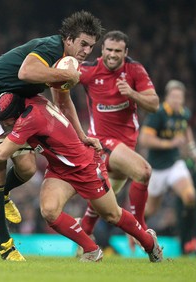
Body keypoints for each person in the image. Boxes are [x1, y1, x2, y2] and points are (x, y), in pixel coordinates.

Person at [0, 10, 104, 261]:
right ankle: (5, 245)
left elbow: (63, 100)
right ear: (68, 39)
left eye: (91, 46)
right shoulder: (51, 47)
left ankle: (3, 194)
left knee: (27, 168)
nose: (86, 51)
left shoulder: (64, 63)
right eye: (83, 44)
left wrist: (82, 135)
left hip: (1, 100)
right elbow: (25, 73)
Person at [0, 92, 164, 263]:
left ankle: (149, 243)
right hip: (59, 168)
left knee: (111, 214)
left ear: (15, 115)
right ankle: (92, 250)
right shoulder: (29, 100)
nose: (4, 125)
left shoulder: (29, 120)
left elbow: (0, 154)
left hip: (85, 167)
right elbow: (8, 120)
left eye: (6, 121)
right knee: (49, 210)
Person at [74, 30, 159, 245]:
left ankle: (84, 237)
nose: (112, 54)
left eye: (117, 51)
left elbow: (154, 104)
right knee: (143, 172)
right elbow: (61, 78)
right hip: (101, 144)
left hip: (125, 148)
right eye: (109, 49)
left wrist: (132, 93)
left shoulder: (135, 70)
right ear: (102, 50)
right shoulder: (90, 71)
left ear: (125, 52)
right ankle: (140, 228)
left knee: (99, 205)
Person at [138, 79, 196, 253]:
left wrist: (193, 151)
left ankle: (191, 238)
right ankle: (133, 232)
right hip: (157, 169)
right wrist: (171, 143)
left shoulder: (184, 113)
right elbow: (144, 140)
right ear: (167, 97)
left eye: (179, 97)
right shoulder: (158, 113)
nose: (177, 101)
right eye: (174, 97)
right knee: (149, 210)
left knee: (190, 196)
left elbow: (186, 129)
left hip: (175, 164)